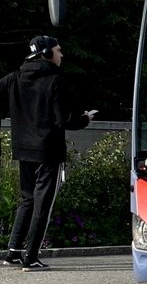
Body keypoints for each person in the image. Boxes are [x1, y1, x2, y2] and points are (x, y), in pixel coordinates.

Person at [1, 36, 96, 271]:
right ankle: (31, 257)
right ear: (46, 53)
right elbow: (62, 120)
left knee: (27, 200)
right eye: (58, 50)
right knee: (42, 205)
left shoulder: (15, 77)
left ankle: (13, 253)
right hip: (48, 152)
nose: (61, 55)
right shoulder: (55, 81)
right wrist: (84, 119)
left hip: (23, 150)